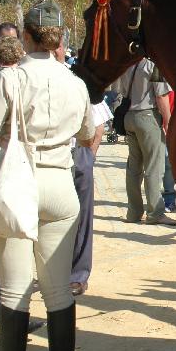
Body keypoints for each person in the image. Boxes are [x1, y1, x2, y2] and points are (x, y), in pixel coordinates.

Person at [0, 0, 96, 351]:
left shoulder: (9, 78)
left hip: (18, 182)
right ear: (59, 37)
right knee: (58, 289)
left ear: (27, 35)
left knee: (14, 288)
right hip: (60, 183)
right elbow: (87, 135)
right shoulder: (76, 83)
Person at [52, 33, 113, 296]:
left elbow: (98, 123)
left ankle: (77, 275)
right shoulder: (25, 76)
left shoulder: (77, 80)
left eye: (58, 46)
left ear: (63, 49)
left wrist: (88, 157)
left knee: (81, 219)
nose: (54, 51)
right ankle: (48, 273)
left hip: (76, 155)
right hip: (43, 159)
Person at [111, 58, 176, 225]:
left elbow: (119, 91)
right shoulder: (154, 66)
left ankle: (133, 212)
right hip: (148, 117)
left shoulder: (127, 64)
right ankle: (155, 213)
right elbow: (161, 96)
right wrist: (168, 121)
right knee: (154, 167)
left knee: (133, 168)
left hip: (129, 116)